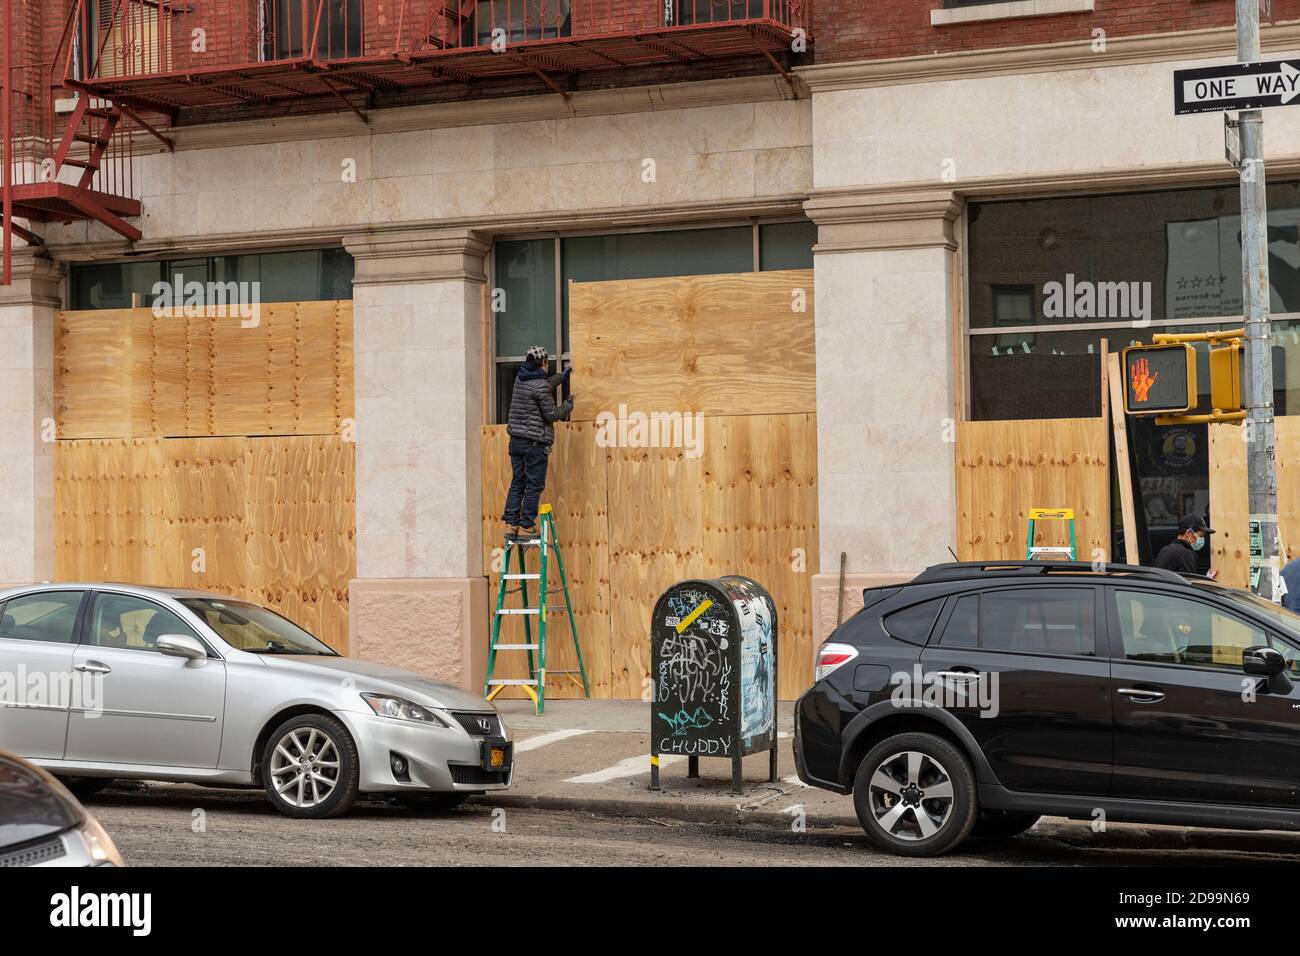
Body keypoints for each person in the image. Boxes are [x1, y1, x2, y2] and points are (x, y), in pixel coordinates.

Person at [501, 345, 573, 539]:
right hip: (534, 444)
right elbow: (551, 414)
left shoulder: (520, 379)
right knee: (534, 485)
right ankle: (526, 526)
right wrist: (566, 407)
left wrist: (561, 377)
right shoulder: (540, 385)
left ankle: (511, 524)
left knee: (518, 483)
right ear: (543, 363)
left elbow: (543, 385)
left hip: (515, 443)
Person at [1152, 515, 1217, 578]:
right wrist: (1207, 581)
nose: (1203, 539)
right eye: (1201, 535)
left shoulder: (1167, 549)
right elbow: (1190, 586)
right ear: (1189, 533)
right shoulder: (1185, 554)